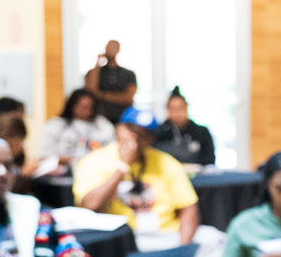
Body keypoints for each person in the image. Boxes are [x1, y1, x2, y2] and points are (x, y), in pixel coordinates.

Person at [74, 107, 199, 246]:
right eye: (131, 129)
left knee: (213, 239)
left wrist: (183, 248)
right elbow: (91, 205)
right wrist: (122, 167)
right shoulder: (94, 161)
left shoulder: (167, 162)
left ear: (151, 139)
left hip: (165, 233)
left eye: (143, 134)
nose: (135, 137)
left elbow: (189, 207)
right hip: (120, 239)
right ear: (118, 129)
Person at [36, 88, 115, 169]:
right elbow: (43, 155)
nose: (86, 112)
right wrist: (61, 159)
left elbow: (112, 147)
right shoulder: (56, 125)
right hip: (64, 170)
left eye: (89, 108)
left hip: (95, 169)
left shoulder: (102, 124)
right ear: (72, 106)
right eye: (82, 107)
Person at [154, 86, 216, 167]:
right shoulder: (159, 133)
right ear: (168, 110)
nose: (177, 113)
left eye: (180, 108)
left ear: (186, 108)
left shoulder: (201, 132)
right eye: (173, 109)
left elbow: (209, 161)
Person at [85, 40, 137, 125]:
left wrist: (101, 95)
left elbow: (128, 98)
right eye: (108, 47)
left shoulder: (128, 74)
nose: (111, 49)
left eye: (113, 47)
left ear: (118, 49)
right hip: (100, 119)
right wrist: (98, 62)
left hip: (123, 118)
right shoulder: (95, 72)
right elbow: (91, 90)